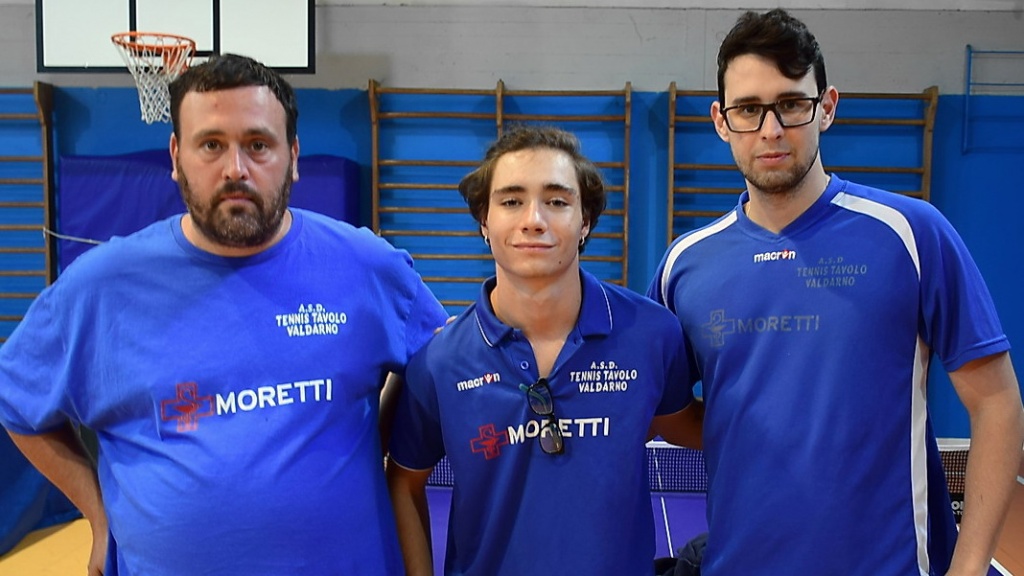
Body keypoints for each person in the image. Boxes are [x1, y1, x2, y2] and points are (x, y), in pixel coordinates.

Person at [0, 53, 448, 576]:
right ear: (176, 156)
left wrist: (380, 441)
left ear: (293, 156)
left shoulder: (367, 267)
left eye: (258, 144)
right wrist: (98, 515)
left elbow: (442, 366)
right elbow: (17, 401)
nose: (236, 168)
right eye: (211, 144)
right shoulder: (100, 287)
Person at [649, 9, 1024, 576]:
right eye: (748, 109)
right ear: (721, 122)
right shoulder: (684, 265)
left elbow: (996, 404)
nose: (771, 129)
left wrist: (968, 568)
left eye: (791, 104)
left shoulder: (912, 233)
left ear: (826, 107)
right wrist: (762, 432)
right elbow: (667, 412)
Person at [386, 125, 702, 575]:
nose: (533, 219)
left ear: (585, 221)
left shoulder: (652, 335)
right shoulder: (438, 362)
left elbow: (689, 425)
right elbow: (404, 480)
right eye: (511, 201)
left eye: (556, 201)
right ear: (484, 221)